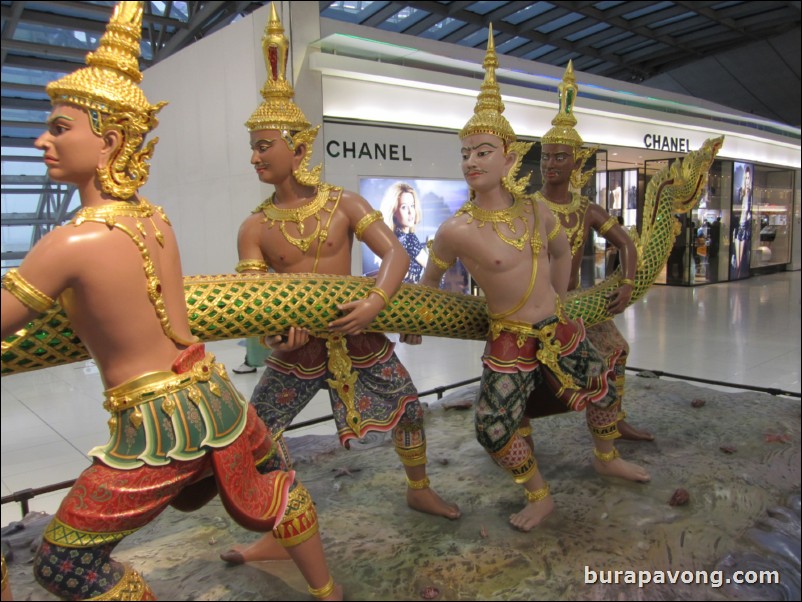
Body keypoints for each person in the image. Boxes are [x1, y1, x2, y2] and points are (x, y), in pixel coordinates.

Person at [0, 3, 340, 600]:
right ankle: (328, 591)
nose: (41, 140)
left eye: (58, 127)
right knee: (274, 476)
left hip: (158, 427)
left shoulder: (68, 242)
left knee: (64, 565)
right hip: (212, 392)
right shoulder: (154, 218)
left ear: (107, 141)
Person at [221, 5, 459, 566]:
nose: (255, 156)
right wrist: (274, 334)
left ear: (298, 149)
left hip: (357, 332)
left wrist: (376, 301)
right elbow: (256, 302)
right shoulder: (254, 227)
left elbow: (396, 253)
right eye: (253, 146)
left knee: (409, 407)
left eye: (265, 145)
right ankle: (281, 528)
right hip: (298, 348)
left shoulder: (345, 204)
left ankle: (418, 487)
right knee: (258, 434)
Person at [420, 30, 649, 533]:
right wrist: (417, 320)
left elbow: (564, 248)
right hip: (510, 340)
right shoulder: (457, 228)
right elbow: (430, 279)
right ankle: (539, 493)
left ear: (508, 157)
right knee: (493, 427)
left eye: (482, 151)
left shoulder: (536, 209)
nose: (471, 162)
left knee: (606, 378)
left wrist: (562, 298)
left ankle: (605, 455)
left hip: (557, 326)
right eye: (465, 153)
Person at [531, 61, 653, 442]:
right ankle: (515, 437)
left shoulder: (586, 210)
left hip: (580, 305)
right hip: (532, 305)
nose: (551, 164)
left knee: (616, 350)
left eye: (560, 157)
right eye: (547, 156)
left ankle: (611, 421)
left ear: (577, 162)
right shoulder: (528, 207)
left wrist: (628, 282)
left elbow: (625, 243)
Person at [379, 182, 429, 283]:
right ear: (393, 212)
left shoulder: (392, 238)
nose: (410, 212)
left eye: (412, 206)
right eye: (404, 207)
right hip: (413, 295)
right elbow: (433, 269)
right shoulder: (409, 239)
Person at [732, 165, 753, 278]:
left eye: (749, 178)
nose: (747, 180)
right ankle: (737, 274)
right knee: (737, 254)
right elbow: (735, 208)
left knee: (741, 254)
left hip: (745, 226)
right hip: (738, 225)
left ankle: (739, 274)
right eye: (746, 178)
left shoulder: (751, 195)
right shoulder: (740, 193)